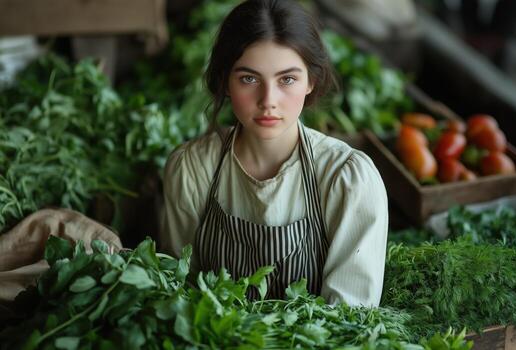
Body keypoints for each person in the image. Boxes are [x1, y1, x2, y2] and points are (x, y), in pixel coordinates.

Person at [160, 0, 388, 306]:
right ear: (226, 82)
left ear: (311, 82)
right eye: (249, 79)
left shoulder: (346, 180)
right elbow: (179, 289)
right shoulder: (193, 169)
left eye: (287, 79)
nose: (268, 100)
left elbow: (351, 319)